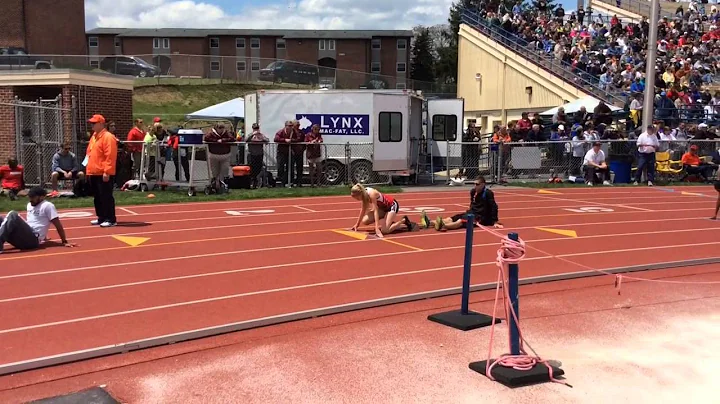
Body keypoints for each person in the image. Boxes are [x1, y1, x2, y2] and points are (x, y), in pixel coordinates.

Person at [0, 187, 75, 253]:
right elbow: (35, 221)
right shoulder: (29, 205)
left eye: (33, 197)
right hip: (23, 239)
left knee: (13, 214)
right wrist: (44, 236)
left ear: (41, 197)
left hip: (32, 240)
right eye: (29, 197)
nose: (30, 199)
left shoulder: (48, 206)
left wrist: (64, 241)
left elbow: (58, 225)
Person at [422, 177, 503, 231]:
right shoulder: (473, 192)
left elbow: (494, 207)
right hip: (471, 213)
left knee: (460, 221)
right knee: (452, 218)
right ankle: (430, 222)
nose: (475, 186)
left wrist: (495, 221)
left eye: (477, 184)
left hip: (481, 218)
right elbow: (472, 204)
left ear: (483, 185)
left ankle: (443, 226)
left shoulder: (488, 193)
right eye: (474, 184)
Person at [85, 114, 118, 228]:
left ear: (101, 124)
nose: (91, 125)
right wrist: (87, 168)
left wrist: (107, 171)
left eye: (94, 123)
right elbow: (89, 153)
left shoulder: (108, 137)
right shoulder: (94, 136)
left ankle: (110, 218)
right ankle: (101, 217)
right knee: (97, 197)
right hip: (93, 171)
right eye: (91, 123)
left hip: (102, 172)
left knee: (106, 196)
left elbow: (110, 155)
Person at [203, 123, 235, 191]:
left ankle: (222, 184)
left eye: (222, 128)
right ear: (216, 128)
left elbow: (232, 138)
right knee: (215, 171)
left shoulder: (226, 132)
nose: (221, 130)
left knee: (224, 170)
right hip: (213, 155)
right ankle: (214, 184)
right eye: (219, 128)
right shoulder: (211, 133)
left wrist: (223, 140)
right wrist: (216, 141)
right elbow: (206, 138)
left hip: (225, 155)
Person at [245, 123, 269, 189]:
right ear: (253, 128)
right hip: (251, 154)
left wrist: (262, 138)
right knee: (251, 169)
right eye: (255, 128)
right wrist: (252, 134)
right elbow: (246, 140)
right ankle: (252, 182)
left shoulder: (261, 135)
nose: (256, 129)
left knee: (258, 168)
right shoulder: (250, 135)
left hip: (259, 154)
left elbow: (267, 140)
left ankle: (257, 181)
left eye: (257, 128)